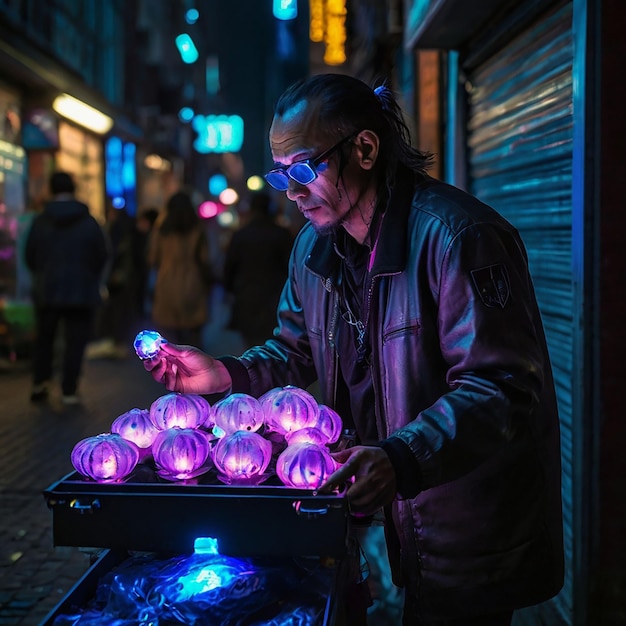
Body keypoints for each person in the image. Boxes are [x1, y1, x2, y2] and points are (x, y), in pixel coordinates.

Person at [143, 74, 564, 625]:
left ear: (364, 149)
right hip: (387, 514)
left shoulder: (459, 237)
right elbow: (294, 352)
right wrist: (223, 374)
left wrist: (401, 458)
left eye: (301, 170)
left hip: (465, 528)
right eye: (280, 175)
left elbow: (503, 387)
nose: (291, 192)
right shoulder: (313, 248)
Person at [25, 171, 108, 404]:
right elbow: (101, 254)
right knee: (76, 341)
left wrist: (42, 274)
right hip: (81, 290)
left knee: (45, 339)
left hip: (48, 289)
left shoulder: (41, 221)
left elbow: (30, 255)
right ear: (73, 189)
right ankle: (69, 389)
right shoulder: (88, 221)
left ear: (51, 189)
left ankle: (41, 383)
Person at [223, 191, 293, 348]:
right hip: (274, 297)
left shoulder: (241, 235)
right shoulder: (281, 234)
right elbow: (291, 269)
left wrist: (229, 290)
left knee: (250, 347)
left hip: (247, 296)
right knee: (272, 346)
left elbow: (230, 267)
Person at [147, 190, 213, 348]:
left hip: (166, 285)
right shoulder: (197, 227)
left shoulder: (162, 229)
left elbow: (152, 258)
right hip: (192, 284)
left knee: (169, 345)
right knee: (193, 345)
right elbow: (205, 258)